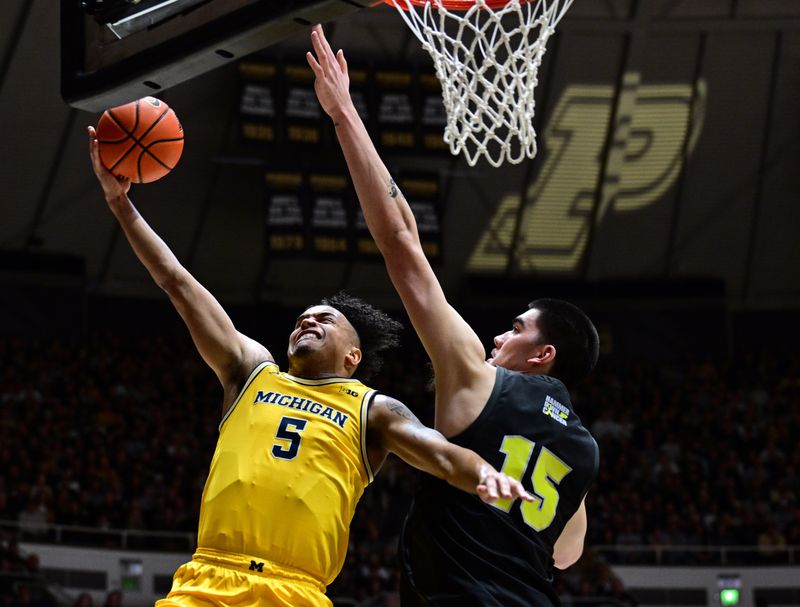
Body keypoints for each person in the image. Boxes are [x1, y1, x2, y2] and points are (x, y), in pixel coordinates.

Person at [87, 129, 532, 607]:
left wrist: (488, 474)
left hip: (296, 591)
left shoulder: (374, 411)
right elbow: (176, 281)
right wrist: (121, 205)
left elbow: (442, 456)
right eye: (302, 318)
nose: (307, 321)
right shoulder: (252, 371)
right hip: (207, 581)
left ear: (352, 356)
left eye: (325, 318)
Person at [308, 25, 600, 606]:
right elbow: (567, 554)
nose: (498, 334)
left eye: (517, 328)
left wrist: (344, 115)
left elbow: (401, 244)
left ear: (544, 355)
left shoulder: (479, 377)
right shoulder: (584, 451)